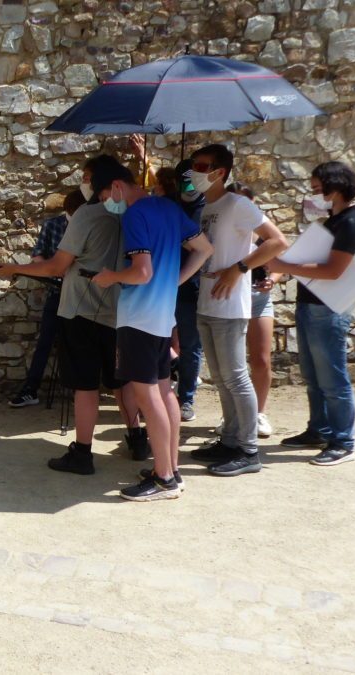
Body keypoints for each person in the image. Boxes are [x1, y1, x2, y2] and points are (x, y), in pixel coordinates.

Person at [0, 156, 147, 474]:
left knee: (85, 386)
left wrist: (13, 268)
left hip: (81, 313)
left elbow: (56, 267)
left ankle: (82, 452)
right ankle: (138, 438)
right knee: (122, 383)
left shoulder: (87, 215)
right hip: (124, 313)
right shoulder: (140, 213)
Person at [92, 163, 213, 501]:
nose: (106, 203)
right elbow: (204, 249)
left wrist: (110, 276)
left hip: (138, 318)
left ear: (116, 186)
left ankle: (163, 479)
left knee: (147, 397)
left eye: (104, 196)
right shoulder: (169, 208)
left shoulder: (134, 216)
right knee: (164, 394)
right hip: (161, 317)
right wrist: (174, 281)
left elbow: (141, 272)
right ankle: (170, 468)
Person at [185, 144, 287, 478]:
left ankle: (248, 449)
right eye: (194, 165)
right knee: (221, 378)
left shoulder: (238, 204)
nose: (195, 171)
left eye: (202, 166)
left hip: (231, 305)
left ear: (220, 172)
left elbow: (276, 241)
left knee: (235, 377)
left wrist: (239, 268)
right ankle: (229, 439)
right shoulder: (207, 207)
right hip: (208, 302)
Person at [268, 161, 355, 465]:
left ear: (335, 186)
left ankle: (343, 441)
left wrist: (284, 266)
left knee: (333, 378)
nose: (314, 192)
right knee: (313, 375)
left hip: (328, 308)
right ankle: (319, 430)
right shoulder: (333, 220)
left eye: (318, 187)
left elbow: (334, 270)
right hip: (310, 303)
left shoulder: (351, 222)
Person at [7, 194, 71, 408]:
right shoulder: (54, 225)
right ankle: (31, 388)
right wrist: (55, 273)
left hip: (83, 294)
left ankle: (79, 388)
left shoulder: (93, 226)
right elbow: (38, 256)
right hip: (57, 291)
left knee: (78, 342)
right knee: (45, 341)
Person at [229, 181, 280, 438]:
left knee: (261, 359)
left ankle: (259, 413)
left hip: (258, 298)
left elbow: (280, 262)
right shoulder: (224, 229)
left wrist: (273, 280)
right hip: (231, 299)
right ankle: (234, 416)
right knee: (232, 363)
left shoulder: (263, 231)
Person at [172, 158, 207, 422]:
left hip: (192, 291)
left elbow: (206, 248)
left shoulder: (208, 208)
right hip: (163, 287)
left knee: (191, 346)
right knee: (159, 342)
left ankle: (186, 399)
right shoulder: (169, 207)